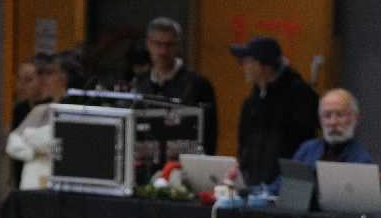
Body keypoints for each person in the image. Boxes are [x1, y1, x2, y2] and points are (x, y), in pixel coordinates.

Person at [231, 36, 318, 187]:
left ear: (264, 66)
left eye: (246, 61)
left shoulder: (299, 95)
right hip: (254, 184)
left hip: (287, 185)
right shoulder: (252, 100)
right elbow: (244, 143)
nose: (243, 67)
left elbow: (303, 146)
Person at [132, 17, 218, 154]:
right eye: (158, 44)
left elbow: (209, 135)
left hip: (183, 161)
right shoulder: (139, 83)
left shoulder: (198, 85)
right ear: (148, 44)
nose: (163, 51)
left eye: (169, 45)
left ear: (178, 46)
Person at [5, 50, 85, 191]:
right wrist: (37, 152)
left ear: (63, 77)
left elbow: (62, 147)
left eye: (49, 73)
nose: (43, 79)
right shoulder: (41, 110)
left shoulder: (77, 111)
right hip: (30, 186)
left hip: (60, 188)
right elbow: (12, 143)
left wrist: (30, 137)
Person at [291, 88, 372, 166]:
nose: (333, 122)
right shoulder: (306, 150)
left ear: (355, 118)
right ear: (320, 119)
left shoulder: (361, 159)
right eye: (327, 115)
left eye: (340, 115)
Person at [8, 52, 52, 188]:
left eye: (28, 80)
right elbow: (13, 146)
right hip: (21, 180)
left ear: (42, 81)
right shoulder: (19, 110)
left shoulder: (50, 109)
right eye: (19, 79)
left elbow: (51, 147)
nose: (21, 85)